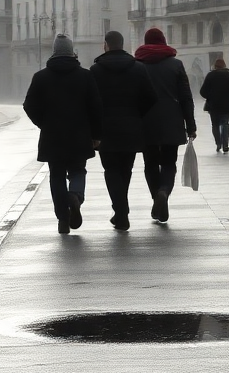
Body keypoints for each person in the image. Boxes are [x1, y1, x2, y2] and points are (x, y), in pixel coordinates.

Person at [24, 34, 103, 235]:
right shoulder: (85, 76)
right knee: (78, 170)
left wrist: (43, 123)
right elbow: (95, 107)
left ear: (54, 51)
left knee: (56, 176)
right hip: (80, 134)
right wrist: (96, 134)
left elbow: (29, 105)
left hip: (53, 136)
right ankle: (75, 196)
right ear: (72, 51)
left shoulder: (41, 77)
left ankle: (62, 218)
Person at [90, 30, 157, 231]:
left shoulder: (95, 70)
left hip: (106, 129)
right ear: (123, 44)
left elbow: (91, 102)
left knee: (111, 171)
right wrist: (137, 114)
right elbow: (151, 97)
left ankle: (121, 211)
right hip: (131, 126)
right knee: (125, 170)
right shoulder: (138, 68)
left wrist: (94, 130)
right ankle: (121, 211)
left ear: (106, 45)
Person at [135, 28, 197, 223]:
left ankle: (157, 199)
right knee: (169, 163)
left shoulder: (137, 65)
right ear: (163, 41)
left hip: (145, 120)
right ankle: (163, 192)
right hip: (172, 118)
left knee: (150, 164)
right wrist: (191, 125)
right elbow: (186, 97)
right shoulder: (176, 64)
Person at [199, 58, 229, 154]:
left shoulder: (210, 76)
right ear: (224, 66)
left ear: (215, 67)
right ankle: (225, 144)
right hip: (226, 105)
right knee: (225, 124)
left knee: (215, 125)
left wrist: (209, 97)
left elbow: (202, 91)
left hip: (213, 105)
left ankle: (218, 143)